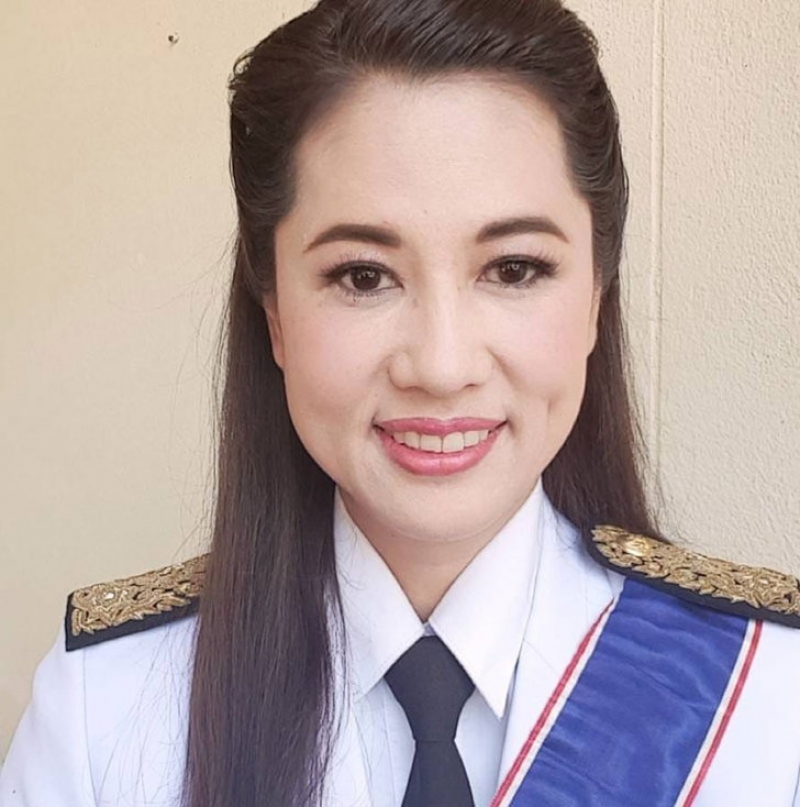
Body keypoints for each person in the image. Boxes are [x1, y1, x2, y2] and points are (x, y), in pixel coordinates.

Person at [2, 0, 800, 805]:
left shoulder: (768, 697)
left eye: (514, 269)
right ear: (273, 311)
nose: (442, 366)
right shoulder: (105, 711)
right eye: (363, 276)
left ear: (597, 293)